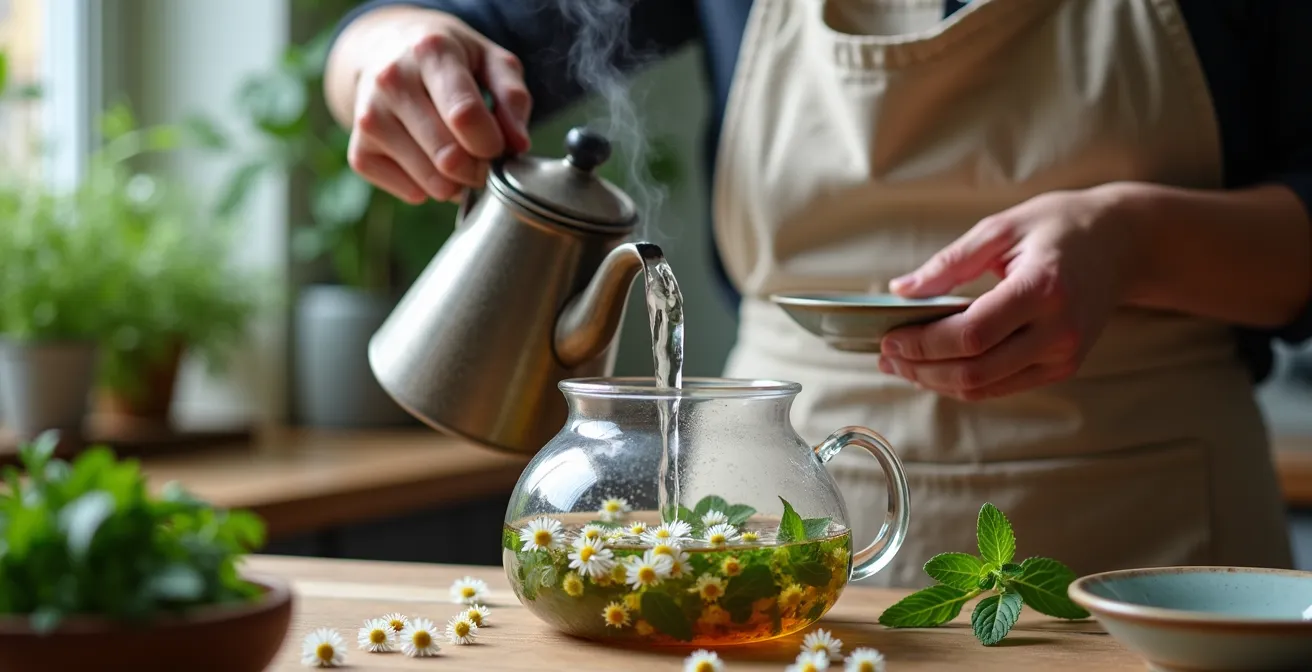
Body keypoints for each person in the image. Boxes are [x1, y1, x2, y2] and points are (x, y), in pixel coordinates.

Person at [324, 0, 1312, 587]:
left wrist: (1137, 245)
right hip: (768, 507)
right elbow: (422, 24)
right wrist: (391, 54)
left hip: (1155, 546)